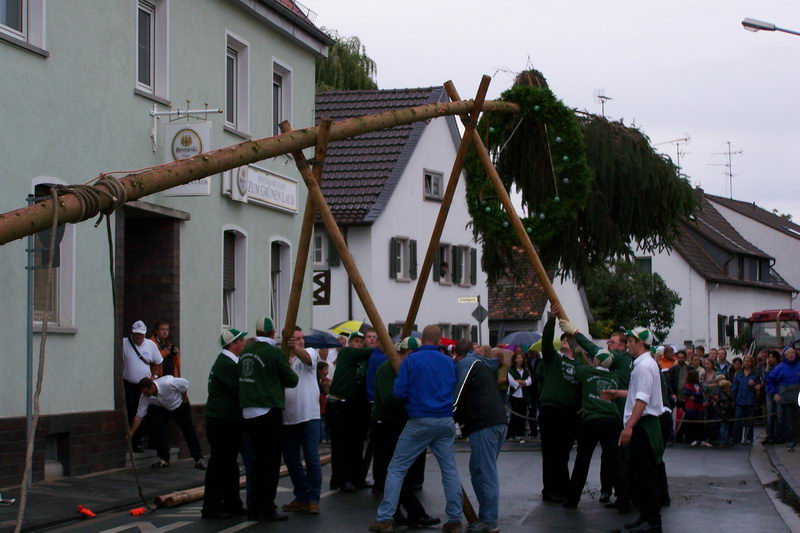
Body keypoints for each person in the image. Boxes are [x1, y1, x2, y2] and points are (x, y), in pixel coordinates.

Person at [369, 325, 463, 533]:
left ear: (423, 340)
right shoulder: (448, 362)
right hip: (445, 419)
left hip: (420, 419)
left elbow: (399, 392)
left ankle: (385, 518)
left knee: (396, 468)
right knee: (449, 471)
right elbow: (454, 388)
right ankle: (455, 519)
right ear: (439, 341)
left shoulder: (411, 361)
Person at [602, 327, 665, 533]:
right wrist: (618, 393)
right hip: (643, 424)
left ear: (640, 342)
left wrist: (629, 426)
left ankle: (651, 520)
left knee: (645, 475)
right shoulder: (643, 364)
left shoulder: (644, 366)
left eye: (630, 340)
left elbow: (642, 399)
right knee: (639, 475)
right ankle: (646, 516)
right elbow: (638, 393)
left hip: (644, 426)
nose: (627, 344)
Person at [371, 337, 438, 529]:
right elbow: (387, 399)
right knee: (392, 470)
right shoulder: (386, 369)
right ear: (405, 353)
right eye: (412, 355)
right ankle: (404, 513)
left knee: (402, 471)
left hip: (402, 423)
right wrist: (408, 393)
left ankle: (404, 512)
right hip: (385, 424)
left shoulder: (409, 368)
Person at [238, 321, 299, 521]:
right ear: (273, 332)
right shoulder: (273, 353)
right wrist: (287, 363)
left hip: (247, 411)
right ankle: (266, 507)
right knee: (270, 463)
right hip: (267, 410)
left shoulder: (246, 351)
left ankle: (254, 506)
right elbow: (292, 380)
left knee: (255, 463)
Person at [564, 347, 630, 513]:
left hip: (592, 419)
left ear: (598, 360)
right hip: (612, 420)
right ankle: (623, 500)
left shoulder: (587, 372)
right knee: (615, 460)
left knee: (582, 460)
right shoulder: (614, 376)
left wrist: (579, 353)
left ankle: (573, 499)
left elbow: (577, 369)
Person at [453, 339, 508, 533]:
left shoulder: (467, 363)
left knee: (485, 473)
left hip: (484, 424)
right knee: (478, 470)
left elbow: (458, 394)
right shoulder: (483, 364)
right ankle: (486, 517)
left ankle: (489, 521)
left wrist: (448, 417)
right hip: (496, 421)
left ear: (457, 355)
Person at [538, 303, 586, 503]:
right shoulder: (553, 360)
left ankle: (563, 487)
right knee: (550, 452)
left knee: (563, 453)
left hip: (570, 413)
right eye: (563, 339)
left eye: (569, 339)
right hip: (551, 410)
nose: (565, 341)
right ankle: (550, 490)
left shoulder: (580, 364)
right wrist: (551, 320)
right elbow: (547, 343)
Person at [202, 328, 248, 519]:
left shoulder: (227, 362)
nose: (244, 344)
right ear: (233, 344)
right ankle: (212, 506)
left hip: (223, 419)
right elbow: (240, 388)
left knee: (228, 464)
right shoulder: (227, 364)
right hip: (222, 420)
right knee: (220, 463)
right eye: (241, 341)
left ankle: (232, 503)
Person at [281, 326, 322, 514]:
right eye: (295, 339)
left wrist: (295, 349)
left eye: (301, 338)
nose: (300, 341)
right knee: (291, 459)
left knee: (312, 458)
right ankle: (302, 495)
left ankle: (313, 498)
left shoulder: (310, 353)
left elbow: (307, 359)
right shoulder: (283, 358)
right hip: (289, 416)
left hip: (309, 415)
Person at [327, 331, 374, 492]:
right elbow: (369, 351)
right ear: (349, 343)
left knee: (355, 443)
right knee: (341, 444)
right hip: (339, 403)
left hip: (353, 404)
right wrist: (380, 345)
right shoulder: (347, 353)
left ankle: (356, 477)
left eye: (361, 342)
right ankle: (341, 479)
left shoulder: (361, 361)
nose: (359, 344)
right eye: (356, 341)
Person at [128, 375, 206, 470]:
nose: (146, 394)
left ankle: (198, 459)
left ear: (152, 386)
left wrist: (184, 399)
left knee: (188, 430)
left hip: (179, 405)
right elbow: (139, 416)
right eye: (144, 393)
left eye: (146, 392)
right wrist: (131, 432)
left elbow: (184, 384)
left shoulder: (167, 383)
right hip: (164, 408)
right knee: (159, 429)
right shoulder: (145, 396)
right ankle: (164, 459)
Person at [122, 320, 163, 452]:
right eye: (136, 334)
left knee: (141, 413)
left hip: (144, 386)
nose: (138, 337)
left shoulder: (150, 345)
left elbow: (158, 362)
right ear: (132, 333)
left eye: (141, 335)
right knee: (130, 411)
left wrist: (154, 377)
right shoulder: (124, 343)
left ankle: (137, 442)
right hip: (128, 384)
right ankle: (130, 441)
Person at [767, 347, 800, 451]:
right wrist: (775, 393)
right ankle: (790, 442)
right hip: (785, 397)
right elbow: (770, 380)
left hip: (798, 396)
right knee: (788, 421)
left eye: (792, 353)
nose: (791, 355)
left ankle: (797, 440)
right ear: (785, 356)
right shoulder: (780, 367)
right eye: (789, 354)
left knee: (797, 420)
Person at [731, 355, 761, 445]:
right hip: (739, 400)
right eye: (745, 361)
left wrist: (754, 385)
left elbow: (758, 387)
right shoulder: (738, 374)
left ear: (751, 363)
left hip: (750, 400)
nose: (746, 363)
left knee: (749, 421)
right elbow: (734, 388)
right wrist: (733, 399)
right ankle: (737, 438)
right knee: (737, 420)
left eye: (748, 361)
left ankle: (748, 438)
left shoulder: (755, 374)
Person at [507, 350, 532, 441]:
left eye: (521, 358)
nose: (519, 359)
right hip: (515, 395)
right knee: (515, 415)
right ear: (514, 359)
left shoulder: (526, 370)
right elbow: (512, 382)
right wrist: (521, 383)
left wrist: (521, 382)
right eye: (517, 358)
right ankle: (512, 434)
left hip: (523, 395)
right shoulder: (511, 370)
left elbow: (529, 381)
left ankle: (521, 433)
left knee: (523, 414)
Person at [763, 351, 784, 445]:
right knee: (770, 415)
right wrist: (766, 370)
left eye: (772, 357)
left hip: (778, 392)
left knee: (779, 415)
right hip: (769, 393)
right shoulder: (767, 368)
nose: (770, 359)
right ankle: (770, 436)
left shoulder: (780, 367)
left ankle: (779, 436)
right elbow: (764, 380)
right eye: (769, 357)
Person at [682, 370, 705, 447]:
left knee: (699, 423)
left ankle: (699, 439)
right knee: (691, 422)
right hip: (691, 407)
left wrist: (694, 396)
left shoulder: (699, 385)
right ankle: (691, 439)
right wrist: (696, 395)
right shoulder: (687, 385)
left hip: (699, 406)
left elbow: (701, 394)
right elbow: (687, 393)